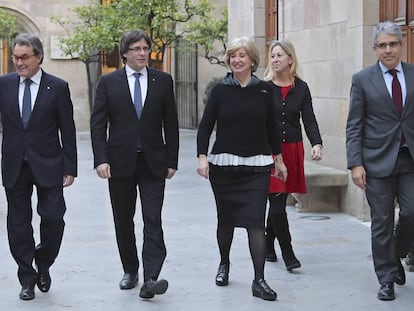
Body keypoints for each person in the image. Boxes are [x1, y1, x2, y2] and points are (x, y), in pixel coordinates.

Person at [197, 37, 287, 301]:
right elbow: (205, 127)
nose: (237, 60)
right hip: (224, 168)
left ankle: (259, 280)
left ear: (252, 60)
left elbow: (272, 127)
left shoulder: (264, 90)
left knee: (255, 223)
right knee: (226, 221)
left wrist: (279, 160)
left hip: (257, 167)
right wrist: (202, 156)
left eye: (242, 56)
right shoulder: (219, 90)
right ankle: (224, 263)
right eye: (233, 56)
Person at [90, 29, 179, 299]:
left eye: (145, 48)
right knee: (123, 219)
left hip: (154, 162)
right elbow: (97, 125)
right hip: (119, 163)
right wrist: (101, 159)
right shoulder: (109, 82)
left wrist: (172, 159)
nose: (142, 53)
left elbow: (171, 124)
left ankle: (151, 276)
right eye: (137, 49)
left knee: (153, 218)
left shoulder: (163, 81)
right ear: (125, 53)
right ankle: (130, 269)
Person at [0, 33, 77, 301]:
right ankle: (27, 277)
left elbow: (68, 130)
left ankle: (43, 262)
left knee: (54, 217)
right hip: (14, 164)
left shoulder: (57, 87)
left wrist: (71, 167)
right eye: (16, 58)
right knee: (18, 224)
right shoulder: (4, 84)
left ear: (39, 57)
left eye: (24, 57)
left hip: (49, 163)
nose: (19, 63)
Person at [346, 21, 414, 301]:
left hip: (409, 159)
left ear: (401, 45)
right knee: (382, 221)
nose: (388, 49)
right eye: (382, 45)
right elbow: (354, 125)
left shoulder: (413, 74)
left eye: (393, 44)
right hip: (375, 162)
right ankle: (386, 278)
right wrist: (355, 163)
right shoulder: (362, 79)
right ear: (375, 49)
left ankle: (396, 254)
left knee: (411, 213)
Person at [262, 39, 323, 271]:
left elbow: (309, 118)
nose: (275, 59)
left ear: (290, 59)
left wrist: (317, 143)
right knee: (277, 203)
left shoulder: (302, 87)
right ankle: (287, 252)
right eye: (273, 56)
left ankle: (268, 244)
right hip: (270, 153)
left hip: (293, 150)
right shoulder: (264, 87)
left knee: (278, 199)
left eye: (280, 55)